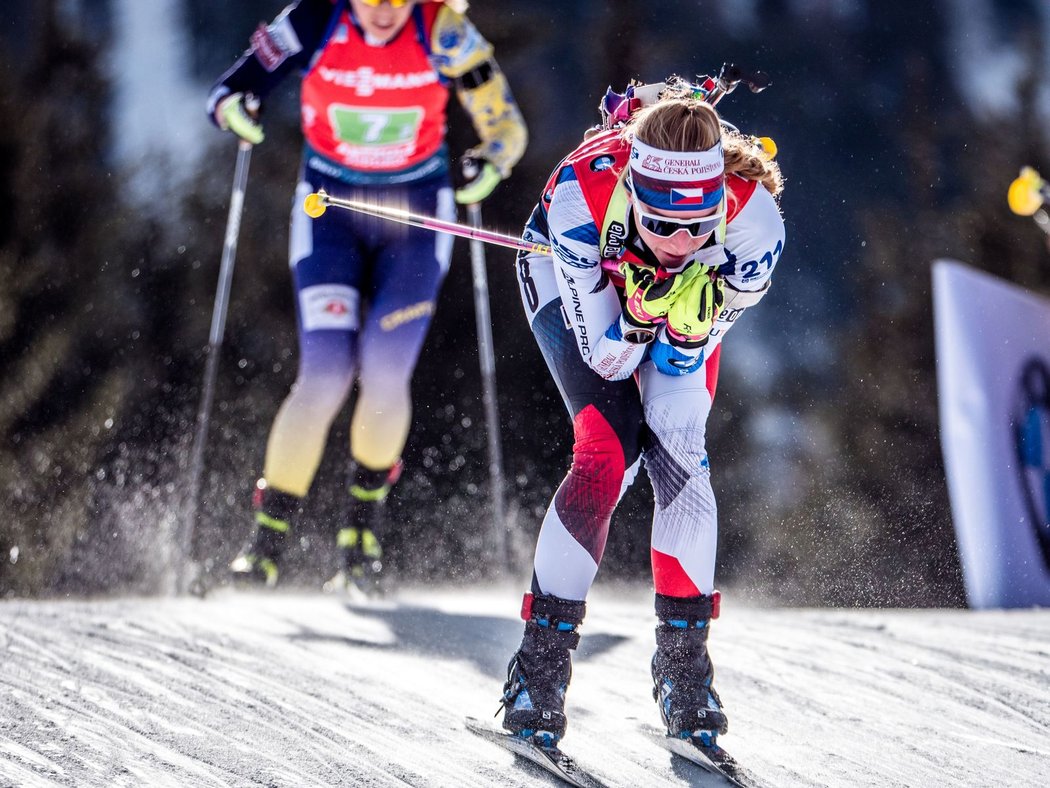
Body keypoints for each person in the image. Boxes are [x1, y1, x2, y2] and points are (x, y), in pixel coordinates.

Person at [501, 78, 785, 748]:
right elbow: (606, 359)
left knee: (681, 453)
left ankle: (685, 672)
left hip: (660, 311)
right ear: (634, 191)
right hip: (570, 279)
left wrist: (686, 327)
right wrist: (639, 314)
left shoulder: (756, 225)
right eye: (661, 225)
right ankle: (538, 672)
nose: (681, 241)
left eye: (698, 223)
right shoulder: (580, 199)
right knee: (609, 453)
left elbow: (686, 360)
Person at [206, 0, 527, 590]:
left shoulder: (443, 29)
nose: (384, 10)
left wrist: (494, 161)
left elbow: (504, 123)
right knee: (325, 372)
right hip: (330, 212)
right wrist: (234, 108)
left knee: (384, 371)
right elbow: (231, 87)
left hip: (417, 218)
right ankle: (264, 547)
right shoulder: (313, 20)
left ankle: (359, 541)